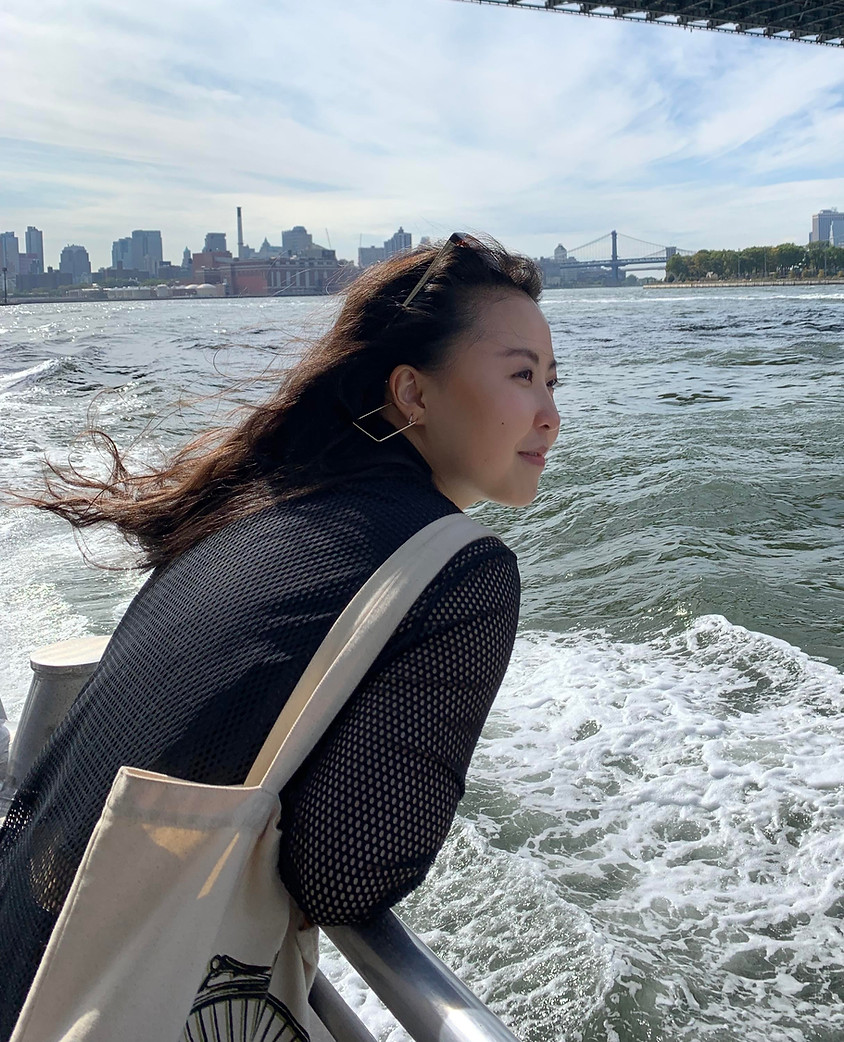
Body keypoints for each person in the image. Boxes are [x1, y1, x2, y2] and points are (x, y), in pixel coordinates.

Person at [0, 233, 560, 1039]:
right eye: (521, 375)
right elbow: (345, 874)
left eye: (551, 380)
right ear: (415, 394)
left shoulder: (253, 507)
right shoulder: (460, 570)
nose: (550, 412)